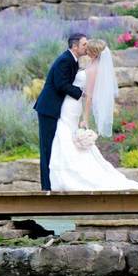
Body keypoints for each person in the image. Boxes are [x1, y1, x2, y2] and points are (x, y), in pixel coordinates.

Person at [48, 39, 138, 191]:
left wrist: (85, 119)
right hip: (69, 104)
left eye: (88, 49)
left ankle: (68, 177)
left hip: (71, 107)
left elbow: (89, 96)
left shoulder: (93, 69)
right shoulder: (91, 65)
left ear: (94, 52)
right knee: (64, 135)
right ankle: (63, 176)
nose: (86, 50)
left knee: (63, 134)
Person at [33, 33, 87, 191]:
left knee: (54, 146)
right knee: (47, 147)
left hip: (57, 109)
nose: (86, 47)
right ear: (74, 46)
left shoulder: (73, 60)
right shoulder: (65, 60)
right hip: (48, 109)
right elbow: (60, 84)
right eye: (84, 44)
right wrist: (80, 93)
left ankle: (52, 183)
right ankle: (46, 187)